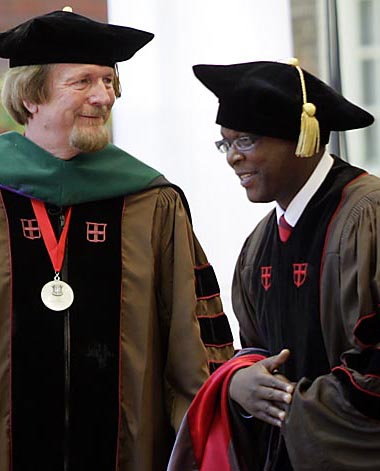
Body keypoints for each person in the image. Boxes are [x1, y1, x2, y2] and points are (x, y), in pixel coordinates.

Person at [0, 9, 234, 471]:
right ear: (30, 98)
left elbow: (192, 334)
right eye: (84, 81)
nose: (103, 96)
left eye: (109, 82)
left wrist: (199, 435)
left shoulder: (151, 200)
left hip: (128, 448)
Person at [168, 59, 380, 471]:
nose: (232, 158)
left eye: (245, 141)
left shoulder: (373, 216)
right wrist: (241, 381)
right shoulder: (259, 245)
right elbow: (256, 346)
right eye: (225, 143)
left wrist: (291, 407)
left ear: (301, 139)